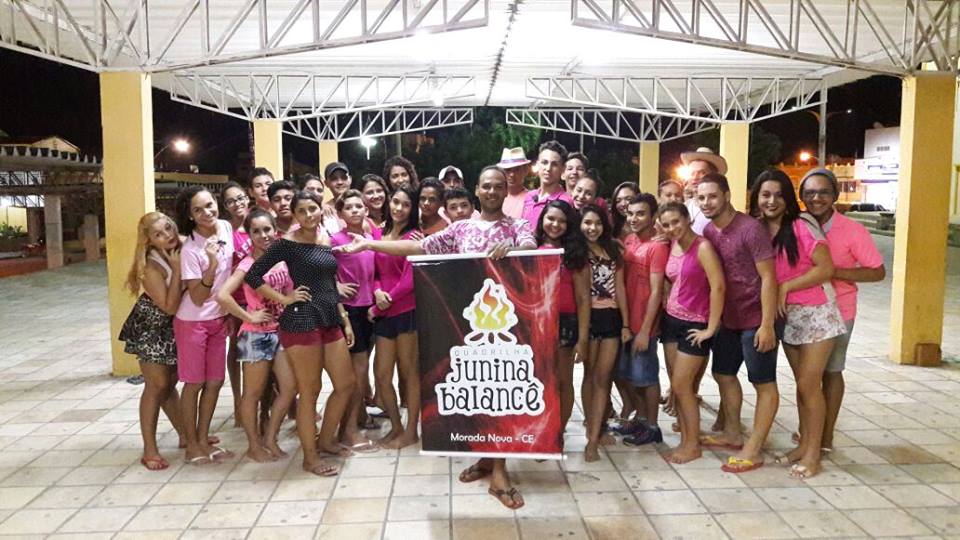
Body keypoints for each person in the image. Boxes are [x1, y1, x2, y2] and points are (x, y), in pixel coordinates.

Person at [336, 165, 536, 510]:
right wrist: (369, 242)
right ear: (477, 189)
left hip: (505, 328)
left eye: (497, 186)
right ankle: (486, 457)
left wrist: (514, 249)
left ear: (506, 190)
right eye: (486, 186)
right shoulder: (460, 228)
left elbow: (532, 249)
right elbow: (418, 248)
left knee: (500, 393)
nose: (491, 191)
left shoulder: (517, 227)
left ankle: (500, 472)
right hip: (465, 325)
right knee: (478, 393)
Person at [245, 191, 357, 476]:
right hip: (301, 319)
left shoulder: (325, 239)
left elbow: (329, 281)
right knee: (309, 391)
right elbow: (253, 275)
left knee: (345, 384)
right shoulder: (287, 243)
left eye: (313, 209)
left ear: (321, 209)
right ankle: (310, 458)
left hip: (330, 317)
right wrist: (284, 299)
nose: (309, 215)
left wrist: (344, 318)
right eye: (302, 211)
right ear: (294, 215)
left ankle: (326, 439)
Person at [751, 169, 846, 479]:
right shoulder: (757, 229)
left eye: (779, 195)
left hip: (817, 313)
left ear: (788, 199)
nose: (772, 201)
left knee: (809, 386)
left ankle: (813, 454)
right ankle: (804, 445)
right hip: (787, 317)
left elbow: (825, 268)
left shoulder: (801, 225)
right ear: (756, 197)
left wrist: (787, 287)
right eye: (766, 195)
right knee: (803, 387)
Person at [698, 173, 780, 474]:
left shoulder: (750, 229)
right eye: (701, 197)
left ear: (727, 195)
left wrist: (767, 324)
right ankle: (733, 433)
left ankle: (753, 449)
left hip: (756, 319)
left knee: (763, 383)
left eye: (712, 196)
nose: (707, 202)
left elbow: (769, 277)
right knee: (723, 374)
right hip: (728, 320)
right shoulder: (709, 230)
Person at [799, 168, 884, 453]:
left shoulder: (852, 230)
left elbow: (877, 271)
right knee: (807, 378)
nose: (816, 198)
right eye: (810, 193)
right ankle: (808, 432)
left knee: (831, 371)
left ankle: (825, 437)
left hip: (839, 311)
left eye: (823, 192)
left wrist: (832, 271)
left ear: (835, 195)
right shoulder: (798, 225)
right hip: (803, 310)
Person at [216, 209, 297, 462]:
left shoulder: (282, 258)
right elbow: (223, 295)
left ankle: (270, 437)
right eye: (256, 231)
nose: (263, 235)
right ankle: (253, 446)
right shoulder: (248, 264)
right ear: (249, 235)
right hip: (255, 336)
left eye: (267, 229)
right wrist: (248, 316)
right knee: (252, 393)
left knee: (290, 388)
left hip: (281, 331)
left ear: (275, 230)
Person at [656, 202, 725, 463]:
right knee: (677, 387)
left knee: (683, 386)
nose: (672, 228)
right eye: (666, 224)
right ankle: (686, 439)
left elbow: (718, 286)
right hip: (672, 320)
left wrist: (711, 327)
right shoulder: (673, 244)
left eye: (676, 221)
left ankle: (693, 445)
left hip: (695, 324)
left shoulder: (703, 247)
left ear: (687, 219)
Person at [173, 186, 235, 465]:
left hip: (218, 319)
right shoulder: (190, 250)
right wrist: (210, 265)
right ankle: (191, 444)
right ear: (190, 216)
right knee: (194, 383)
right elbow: (197, 297)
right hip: (193, 323)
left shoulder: (225, 227)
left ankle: (202, 437)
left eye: (209, 205)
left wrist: (229, 311)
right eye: (198, 210)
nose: (207, 212)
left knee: (215, 381)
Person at [120, 212, 187, 471]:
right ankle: (149, 449)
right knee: (156, 384)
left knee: (170, 382)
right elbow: (169, 306)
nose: (168, 235)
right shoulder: (151, 266)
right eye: (159, 234)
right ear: (149, 240)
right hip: (152, 324)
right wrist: (178, 270)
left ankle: (185, 435)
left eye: (168, 228)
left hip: (174, 325)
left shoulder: (181, 244)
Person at [367, 184, 421, 449]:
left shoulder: (414, 237)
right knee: (381, 374)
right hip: (384, 311)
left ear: (413, 209)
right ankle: (397, 427)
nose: (399, 208)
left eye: (406, 204)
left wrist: (379, 306)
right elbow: (375, 272)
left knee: (409, 374)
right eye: (396, 202)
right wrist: (377, 292)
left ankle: (411, 431)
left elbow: (409, 281)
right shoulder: (380, 234)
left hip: (405, 311)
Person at [579, 204, 631, 462]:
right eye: (587, 223)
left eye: (597, 223)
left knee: (603, 378)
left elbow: (620, 288)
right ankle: (592, 427)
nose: (593, 228)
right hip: (586, 319)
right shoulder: (577, 251)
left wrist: (626, 324)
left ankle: (594, 438)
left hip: (611, 317)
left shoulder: (613, 250)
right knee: (589, 376)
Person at [330, 190, 381, 450]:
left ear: (366, 210)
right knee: (357, 373)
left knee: (362, 369)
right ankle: (348, 430)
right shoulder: (335, 240)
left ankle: (358, 417)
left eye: (358, 206)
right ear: (340, 213)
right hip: (349, 311)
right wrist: (336, 287)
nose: (354, 210)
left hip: (369, 309)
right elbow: (323, 271)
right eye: (348, 207)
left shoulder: (370, 239)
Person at [618, 194, 670, 446]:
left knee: (647, 377)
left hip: (644, 325)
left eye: (641, 214)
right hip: (627, 322)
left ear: (653, 216)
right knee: (631, 376)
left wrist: (645, 330)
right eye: (631, 213)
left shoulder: (657, 247)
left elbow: (657, 291)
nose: (634, 218)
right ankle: (640, 419)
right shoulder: (629, 240)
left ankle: (652, 427)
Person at [535, 200, 590, 430]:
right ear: (542, 220)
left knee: (562, 381)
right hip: (536, 323)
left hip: (565, 323)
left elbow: (583, 299)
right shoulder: (530, 249)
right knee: (541, 381)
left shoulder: (574, 255)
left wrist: (582, 339)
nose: (555, 225)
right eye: (551, 218)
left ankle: (559, 431)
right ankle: (542, 431)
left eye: (562, 221)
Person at [220, 181, 251, 425]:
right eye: (231, 201)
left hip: (260, 298)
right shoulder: (223, 231)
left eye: (240, 198)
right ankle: (238, 402)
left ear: (247, 198)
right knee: (236, 350)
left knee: (255, 353)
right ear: (225, 206)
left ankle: (255, 401)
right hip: (235, 300)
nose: (237, 204)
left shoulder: (258, 223)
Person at [522, 140, 574, 225]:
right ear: (537, 164)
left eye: (554, 164)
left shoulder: (564, 201)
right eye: (544, 162)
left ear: (563, 169)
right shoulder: (529, 196)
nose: (548, 168)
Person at [680, 147, 726, 234]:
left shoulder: (721, 210)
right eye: (692, 173)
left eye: (702, 173)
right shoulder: (686, 206)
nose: (695, 178)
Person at [498, 147, 530, 219]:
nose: (512, 174)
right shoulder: (496, 197)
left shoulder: (531, 199)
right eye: (508, 170)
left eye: (517, 169)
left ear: (526, 170)